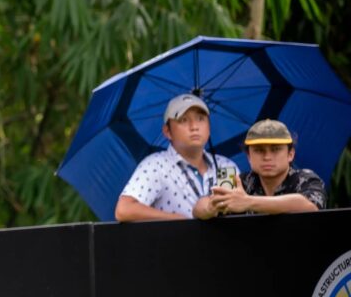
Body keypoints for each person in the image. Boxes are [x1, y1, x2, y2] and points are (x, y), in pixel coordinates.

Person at [115, 93, 240, 221]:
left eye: (200, 119)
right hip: (173, 240)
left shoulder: (225, 166)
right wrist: (175, 219)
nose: (194, 127)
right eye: (183, 120)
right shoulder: (156, 165)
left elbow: (231, 213)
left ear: (209, 128)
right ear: (167, 131)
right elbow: (124, 210)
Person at [206, 119, 326, 215]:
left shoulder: (305, 178)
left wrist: (247, 202)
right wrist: (210, 208)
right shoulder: (240, 182)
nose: (267, 157)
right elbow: (199, 207)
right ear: (249, 156)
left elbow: (310, 206)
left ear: (290, 154)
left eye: (275, 150)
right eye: (259, 150)